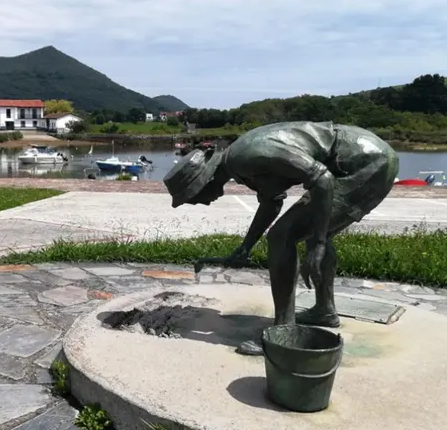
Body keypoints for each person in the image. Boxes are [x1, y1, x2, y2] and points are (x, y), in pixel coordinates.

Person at [164, 121, 399, 354]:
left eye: (193, 197)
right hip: (363, 158)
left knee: (283, 236)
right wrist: (246, 247)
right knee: (305, 226)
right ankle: (324, 311)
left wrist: (317, 245)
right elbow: (272, 202)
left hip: (365, 163)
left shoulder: (245, 158)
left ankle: (284, 332)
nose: (200, 202)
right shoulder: (239, 163)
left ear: (203, 182)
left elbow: (323, 179)